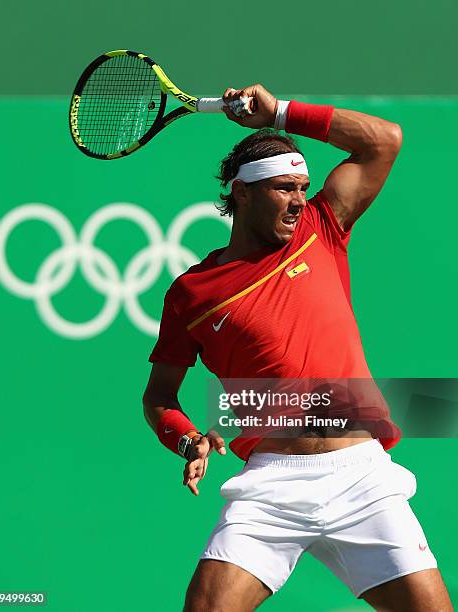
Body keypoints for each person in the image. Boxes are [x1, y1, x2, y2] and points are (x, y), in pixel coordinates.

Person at [143, 85, 452, 611]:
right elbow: (159, 398)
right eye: (284, 188)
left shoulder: (321, 226)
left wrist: (282, 112)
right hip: (271, 490)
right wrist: (187, 440)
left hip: (361, 477)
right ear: (242, 193)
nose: (297, 200)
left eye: (303, 187)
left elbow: (385, 141)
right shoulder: (191, 293)